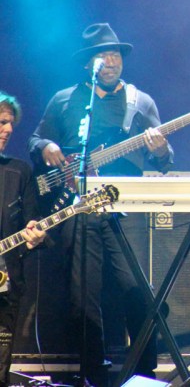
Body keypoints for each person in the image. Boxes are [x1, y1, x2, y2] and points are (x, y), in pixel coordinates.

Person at [28, 23, 174, 385]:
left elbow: (164, 160)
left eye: (115, 54)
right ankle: (92, 373)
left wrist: (160, 149)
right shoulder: (65, 100)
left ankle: (144, 373)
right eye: (102, 55)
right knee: (83, 297)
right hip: (78, 208)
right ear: (88, 63)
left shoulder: (140, 102)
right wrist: (45, 147)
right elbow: (36, 138)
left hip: (124, 210)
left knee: (136, 290)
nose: (110, 61)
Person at [0, 91, 47, 384]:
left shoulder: (19, 172)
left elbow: (33, 222)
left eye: (10, 124)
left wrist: (36, 236)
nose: (8, 129)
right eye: (1, 122)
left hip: (6, 284)